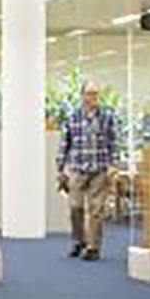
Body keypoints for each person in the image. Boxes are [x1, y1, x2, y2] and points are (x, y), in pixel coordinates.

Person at [57, 81, 119, 261]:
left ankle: (93, 247)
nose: (94, 98)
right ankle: (79, 241)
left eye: (96, 94)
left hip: (99, 169)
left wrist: (113, 164)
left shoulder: (107, 117)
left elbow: (113, 142)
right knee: (75, 207)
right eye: (90, 93)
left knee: (96, 210)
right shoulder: (72, 117)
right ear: (82, 95)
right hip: (77, 168)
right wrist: (60, 168)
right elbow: (64, 144)